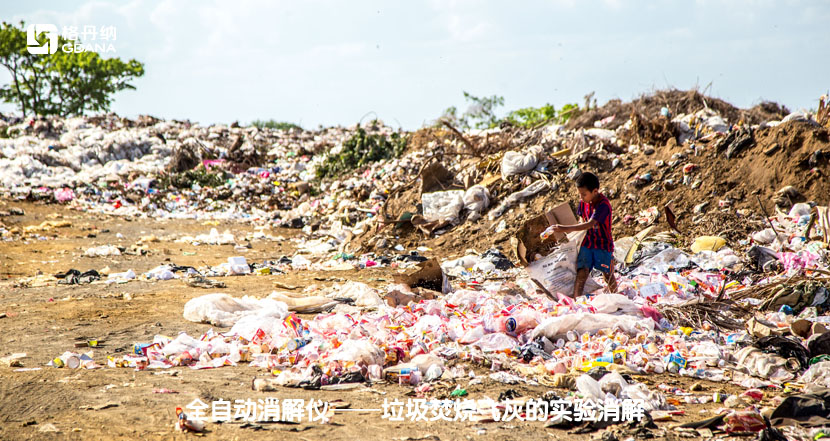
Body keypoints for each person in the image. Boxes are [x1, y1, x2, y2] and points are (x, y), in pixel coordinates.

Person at [548, 172, 617, 297]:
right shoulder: (583, 203)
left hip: (602, 244)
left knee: (608, 274)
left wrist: (563, 228)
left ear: (595, 191)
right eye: (580, 194)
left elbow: (589, 224)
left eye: (584, 194)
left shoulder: (603, 205)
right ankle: (576, 300)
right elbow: (581, 221)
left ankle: (617, 298)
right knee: (582, 272)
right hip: (587, 242)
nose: (581, 197)